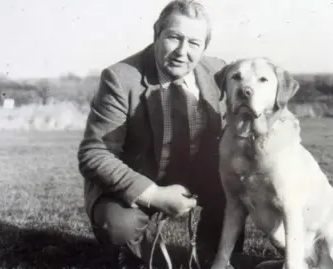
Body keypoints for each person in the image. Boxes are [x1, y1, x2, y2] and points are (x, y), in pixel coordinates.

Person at [77, 1, 244, 268]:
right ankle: (132, 255)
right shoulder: (120, 78)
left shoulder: (218, 73)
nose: (182, 52)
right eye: (174, 38)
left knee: (237, 195)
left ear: (204, 48)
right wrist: (154, 195)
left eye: (193, 43)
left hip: (196, 176)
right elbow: (94, 153)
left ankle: (216, 256)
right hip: (139, 178)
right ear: (157, 33)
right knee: (120, 226)